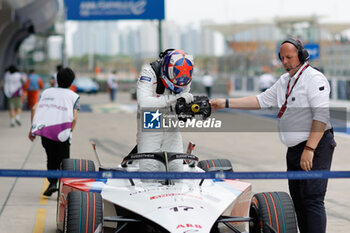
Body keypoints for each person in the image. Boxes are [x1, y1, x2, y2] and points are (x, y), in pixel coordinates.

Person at [210, 38, 336, 233]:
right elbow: (260, 100)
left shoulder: (314, 78)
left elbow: (321, 116)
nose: (285, 62)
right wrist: (224, 103)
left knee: (312, 199)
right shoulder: (285, 80)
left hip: (315, 147)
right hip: (294, 149)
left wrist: (310, 149)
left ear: (301, 56)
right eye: (282, 57)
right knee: (299, 201)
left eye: (289, 57)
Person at [136, 49, 194, 172]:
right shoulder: (148, 73)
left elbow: (181, 105)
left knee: (176, 168)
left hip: (170, 120)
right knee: (149, 169)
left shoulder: (185, 78)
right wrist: (174, 99)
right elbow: (144, 103)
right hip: (151, 119)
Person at [28, 67, 80, 196]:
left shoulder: (46, 92)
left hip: (46, 131)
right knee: (64, 160)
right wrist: (70, 132)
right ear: (71, 81)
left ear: (56, 79)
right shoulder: (73, 96)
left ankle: (52, 183)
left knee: (51, 157)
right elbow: (74, 117)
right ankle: (66, 188)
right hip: (63, 132)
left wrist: (32, 129)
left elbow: (34, 108)